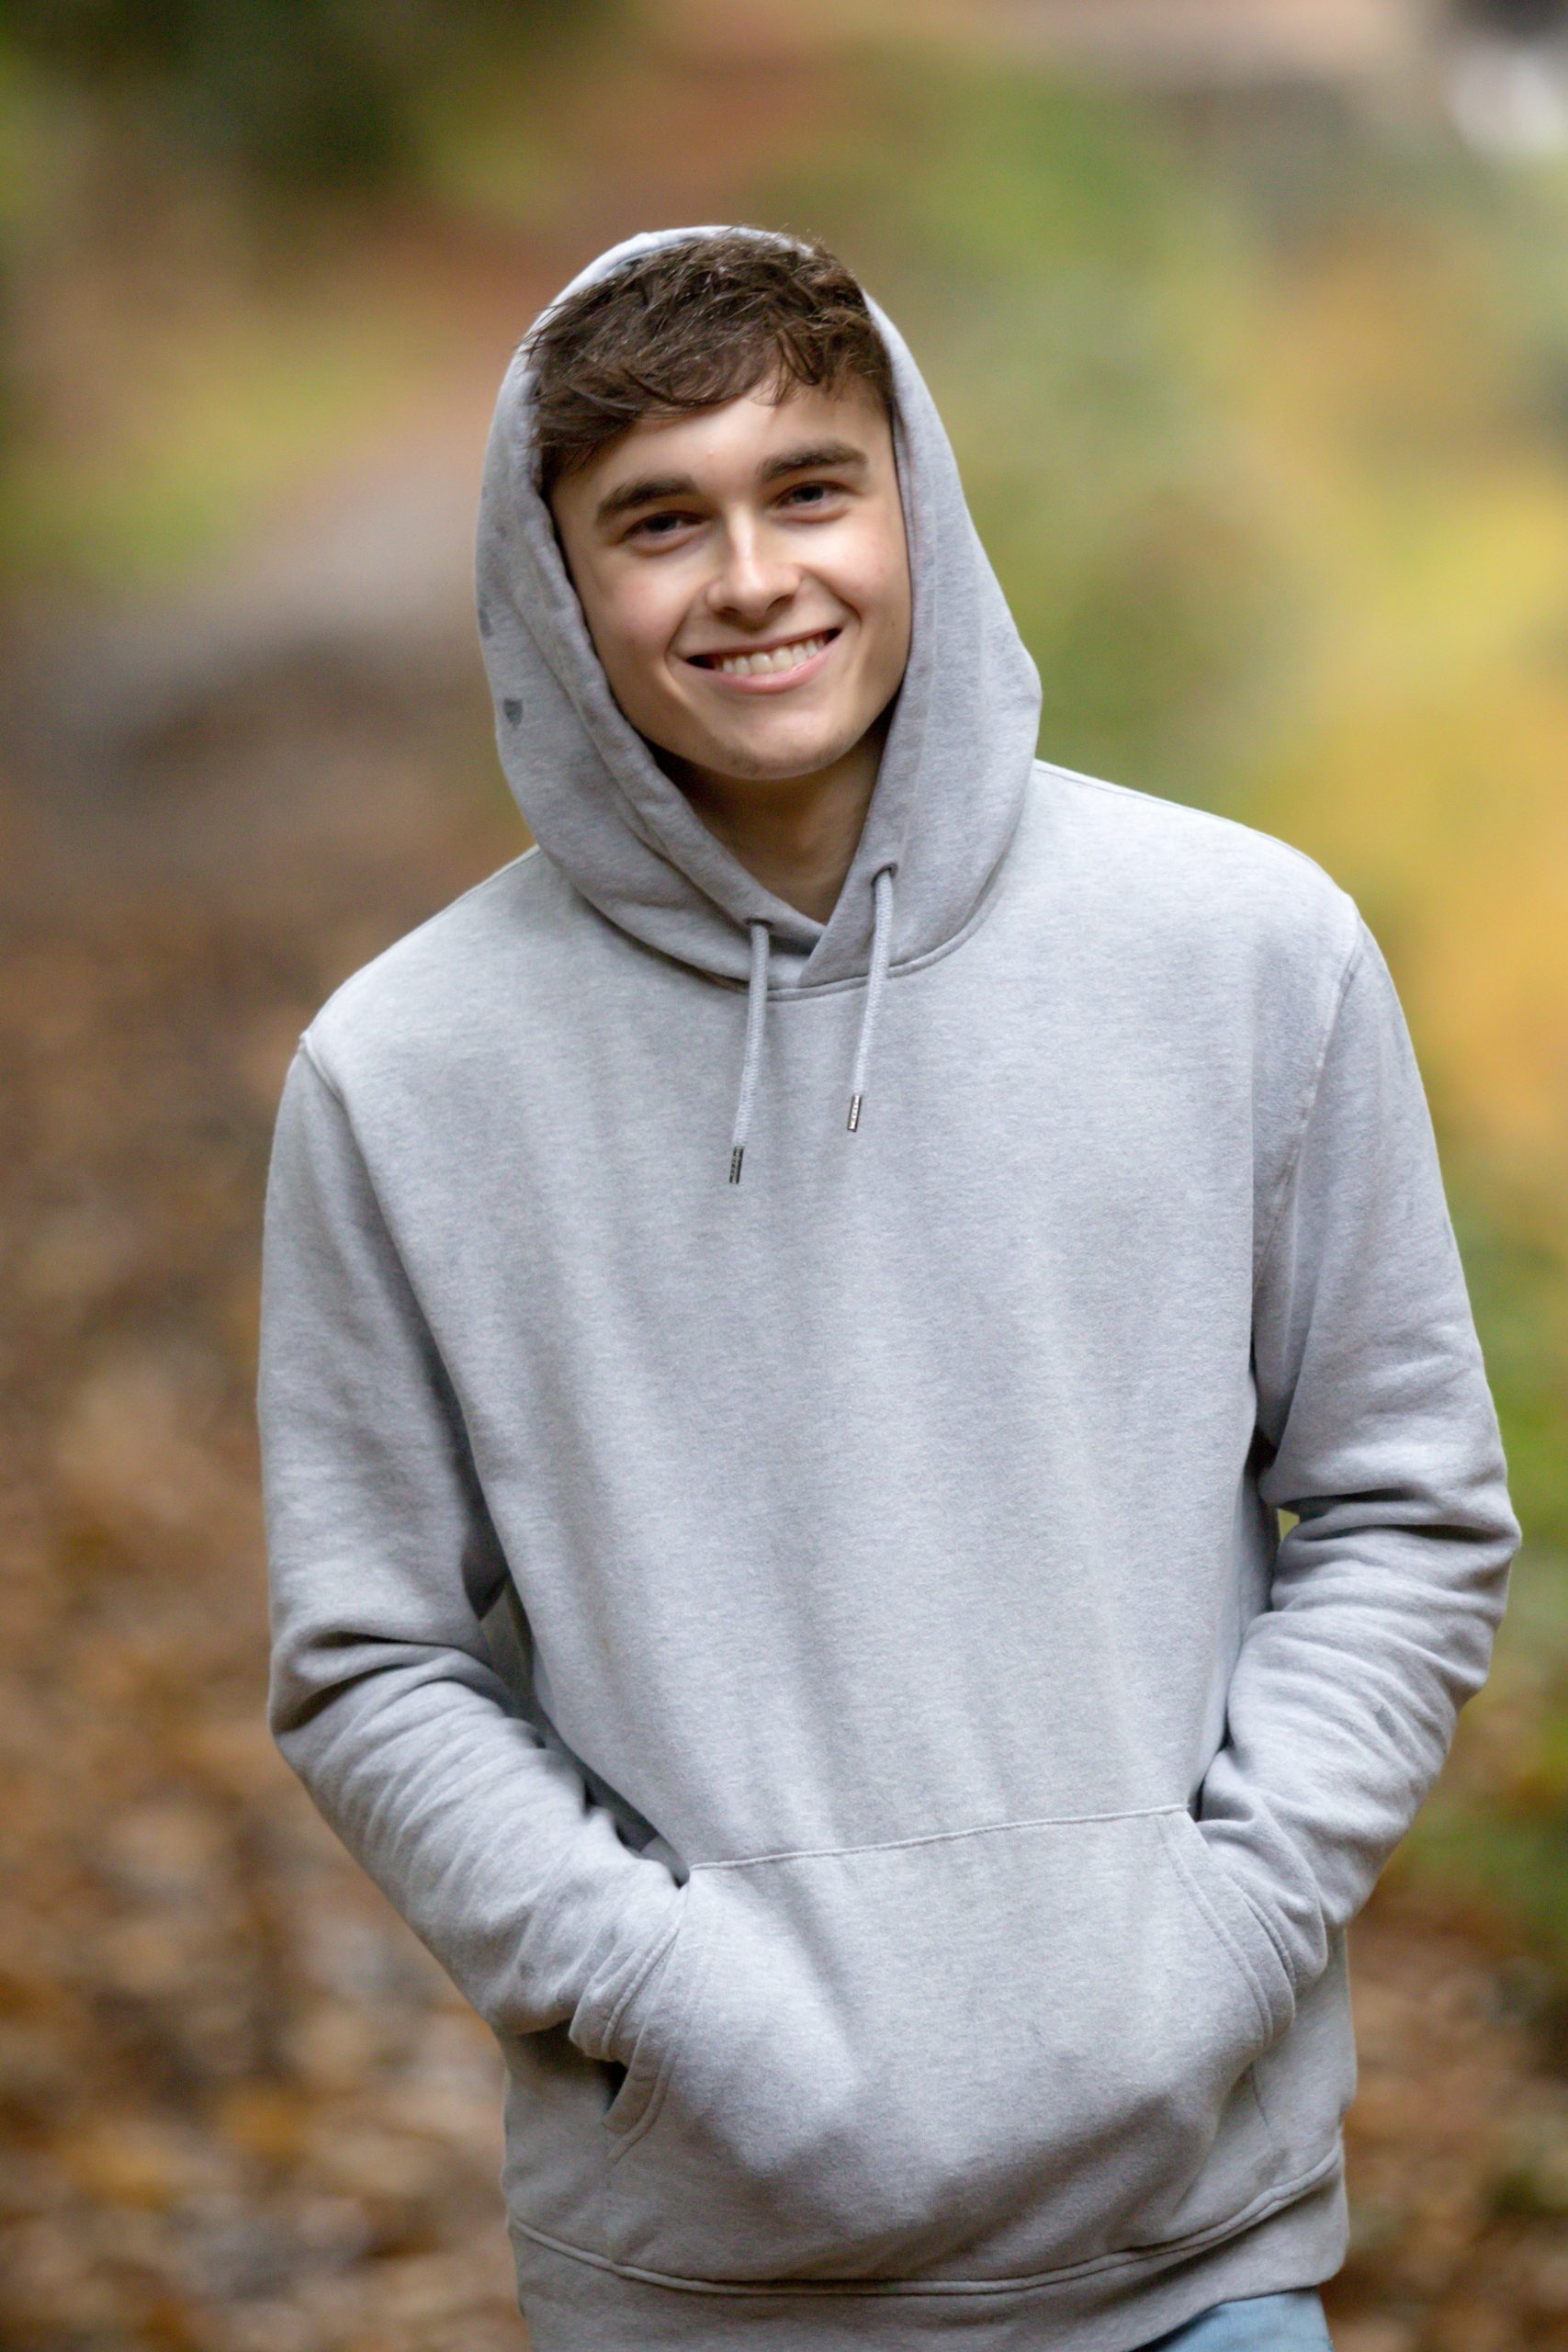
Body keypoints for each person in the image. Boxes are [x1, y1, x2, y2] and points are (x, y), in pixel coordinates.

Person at [257, 226, 1520, 2352]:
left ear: (910, 504)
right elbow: (371, 1656)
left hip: (1186, 2253)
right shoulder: (406, 1076)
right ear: (554, 585)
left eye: (807, 490)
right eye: (659, 522)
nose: (750, 579)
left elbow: (1404, 1505)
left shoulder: (1239, 951)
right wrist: (666, 1998)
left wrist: (1211, 1931)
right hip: (703, 2274)